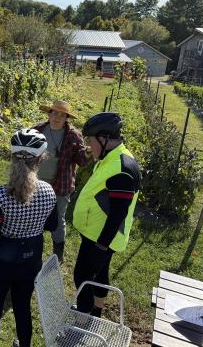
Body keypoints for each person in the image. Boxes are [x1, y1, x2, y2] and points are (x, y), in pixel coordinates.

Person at [0, 129, 57, 347]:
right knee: (23, 307)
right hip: (30, 260)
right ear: (40, 158)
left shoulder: (2, 194)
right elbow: (51, 225)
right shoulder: (49, 192)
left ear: (12, 156)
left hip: (0, 262)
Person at [72, 112, 140, 318]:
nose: (88, 146)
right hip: (96, 233)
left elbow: (118, 214)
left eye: (91, 141)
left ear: (104, 138)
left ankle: (82, 320)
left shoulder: (122, 169)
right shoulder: (111, 157)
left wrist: (100, 248)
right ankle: (96, 312)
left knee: (83, 277)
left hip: (101, 239)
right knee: (100, 274)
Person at [33, 100, 91, 262]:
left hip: (60, 185)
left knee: (58, 219)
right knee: (34, 215)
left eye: (62, 115)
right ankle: (32, 249)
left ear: (67, 118)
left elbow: (82, 160)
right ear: (49, 114)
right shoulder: (37, 130)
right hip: (34, 182)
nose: (57, 117)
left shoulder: (73, 135)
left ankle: (58, 255)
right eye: (54, 113)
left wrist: (89, 151)